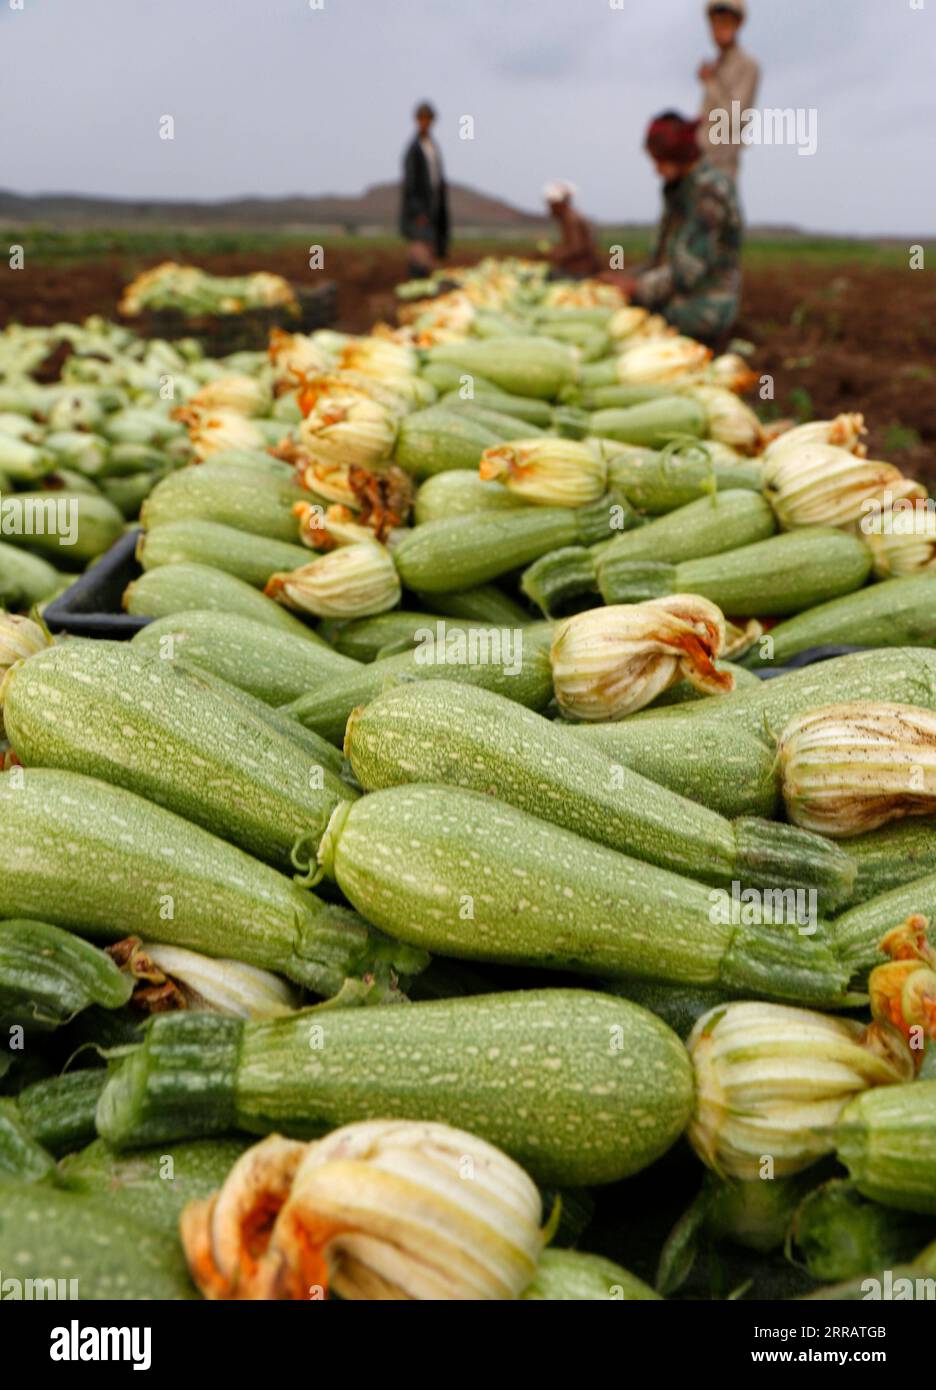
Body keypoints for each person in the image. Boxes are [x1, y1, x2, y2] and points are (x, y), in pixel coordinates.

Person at [611, 112, 742, 344]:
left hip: (706, 305)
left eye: (660, 161)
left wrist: (635, 288)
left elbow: (688, 270)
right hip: (682, 293)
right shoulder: (680, 189)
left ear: (678, 155)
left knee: (637, 325)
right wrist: (626, 278)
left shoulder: (709, 192)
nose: (656, 170)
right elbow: (662, 260)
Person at [698, 0, 760, 181]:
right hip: (700, 161)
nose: (719, 29)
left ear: (737, 24)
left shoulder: (747, 66)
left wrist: (710, 82)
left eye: (725, 23)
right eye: (715, 23)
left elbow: (733, 118)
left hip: (722, 164)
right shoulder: (716, 66)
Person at [399, 102, 450, 278]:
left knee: (431, 251)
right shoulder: (414, 149)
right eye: (422, 119)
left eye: (429, 119)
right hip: (420, 212)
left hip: (433, 208)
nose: (426, 123)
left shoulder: (432, 146)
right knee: (420, 256)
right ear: (417, 120)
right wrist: (418, 211)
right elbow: (411, 184)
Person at [542, 182, 601, 279]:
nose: (549, 208)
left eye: (551, 204)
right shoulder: (571, 216)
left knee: (550, 277)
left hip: (581, 271)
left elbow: (577, 247)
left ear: (559, 204)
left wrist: (556, 254)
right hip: (585, 269)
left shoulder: (570, 219)